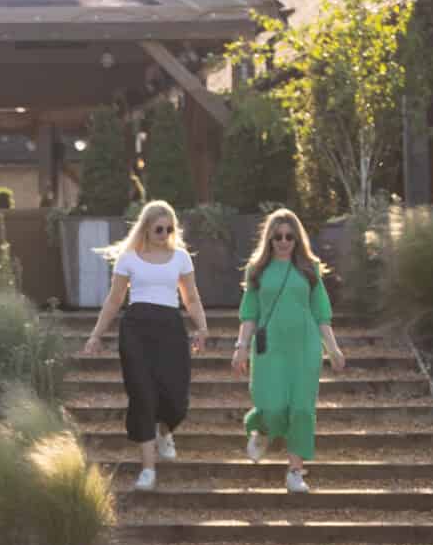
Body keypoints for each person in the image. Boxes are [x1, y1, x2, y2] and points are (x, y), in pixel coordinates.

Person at [79, 200, 210, 491]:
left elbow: (191, 298)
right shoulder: (129, 259)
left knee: (175, 398)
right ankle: (148, 469)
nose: (164, 234)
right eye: (158, 229)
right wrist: (95, 335)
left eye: (169, 229)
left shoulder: (181, 258)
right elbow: (114, 300)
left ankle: (166, 431)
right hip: (136, 329)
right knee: (142, 395)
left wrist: (202, 326)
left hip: (170, 329)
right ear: (146, 229)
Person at [231, 209, 345, 493]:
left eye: (289, 237)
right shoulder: (256, 270)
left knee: (302, 409)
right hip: (270, 346)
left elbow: (321, 312)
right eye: (278, 236)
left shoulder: (310, 269)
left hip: (305, 345)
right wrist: (241, 347)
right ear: (269, 239)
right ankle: (262, 427)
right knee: (272, 405)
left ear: (297, 239)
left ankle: (295, 471)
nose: (283, 242)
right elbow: (249, 313)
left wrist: (332, 348)